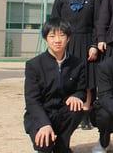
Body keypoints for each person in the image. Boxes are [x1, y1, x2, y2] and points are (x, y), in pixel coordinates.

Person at [24, 17, 86, 153]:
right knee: (44, 146)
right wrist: (44, 123)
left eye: (62, 35)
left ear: (68, 38)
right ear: (45, 39)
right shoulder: (33, 65)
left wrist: (76, 96)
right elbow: (32, 100)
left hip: (63, 113)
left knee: (77, 109)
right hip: (41, 113)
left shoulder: (78, 64)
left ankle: (62, 145)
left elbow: (81, 90)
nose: (57, 40)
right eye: (52, 36)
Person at [51, 0, 101, 130]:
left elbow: (97, 23)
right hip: (66, 42)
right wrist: (57, 41)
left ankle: (85, 114)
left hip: (86, 42)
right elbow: (54, 21)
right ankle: (67, 110)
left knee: (87, 79)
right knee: (66, 77)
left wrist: (94, 45)